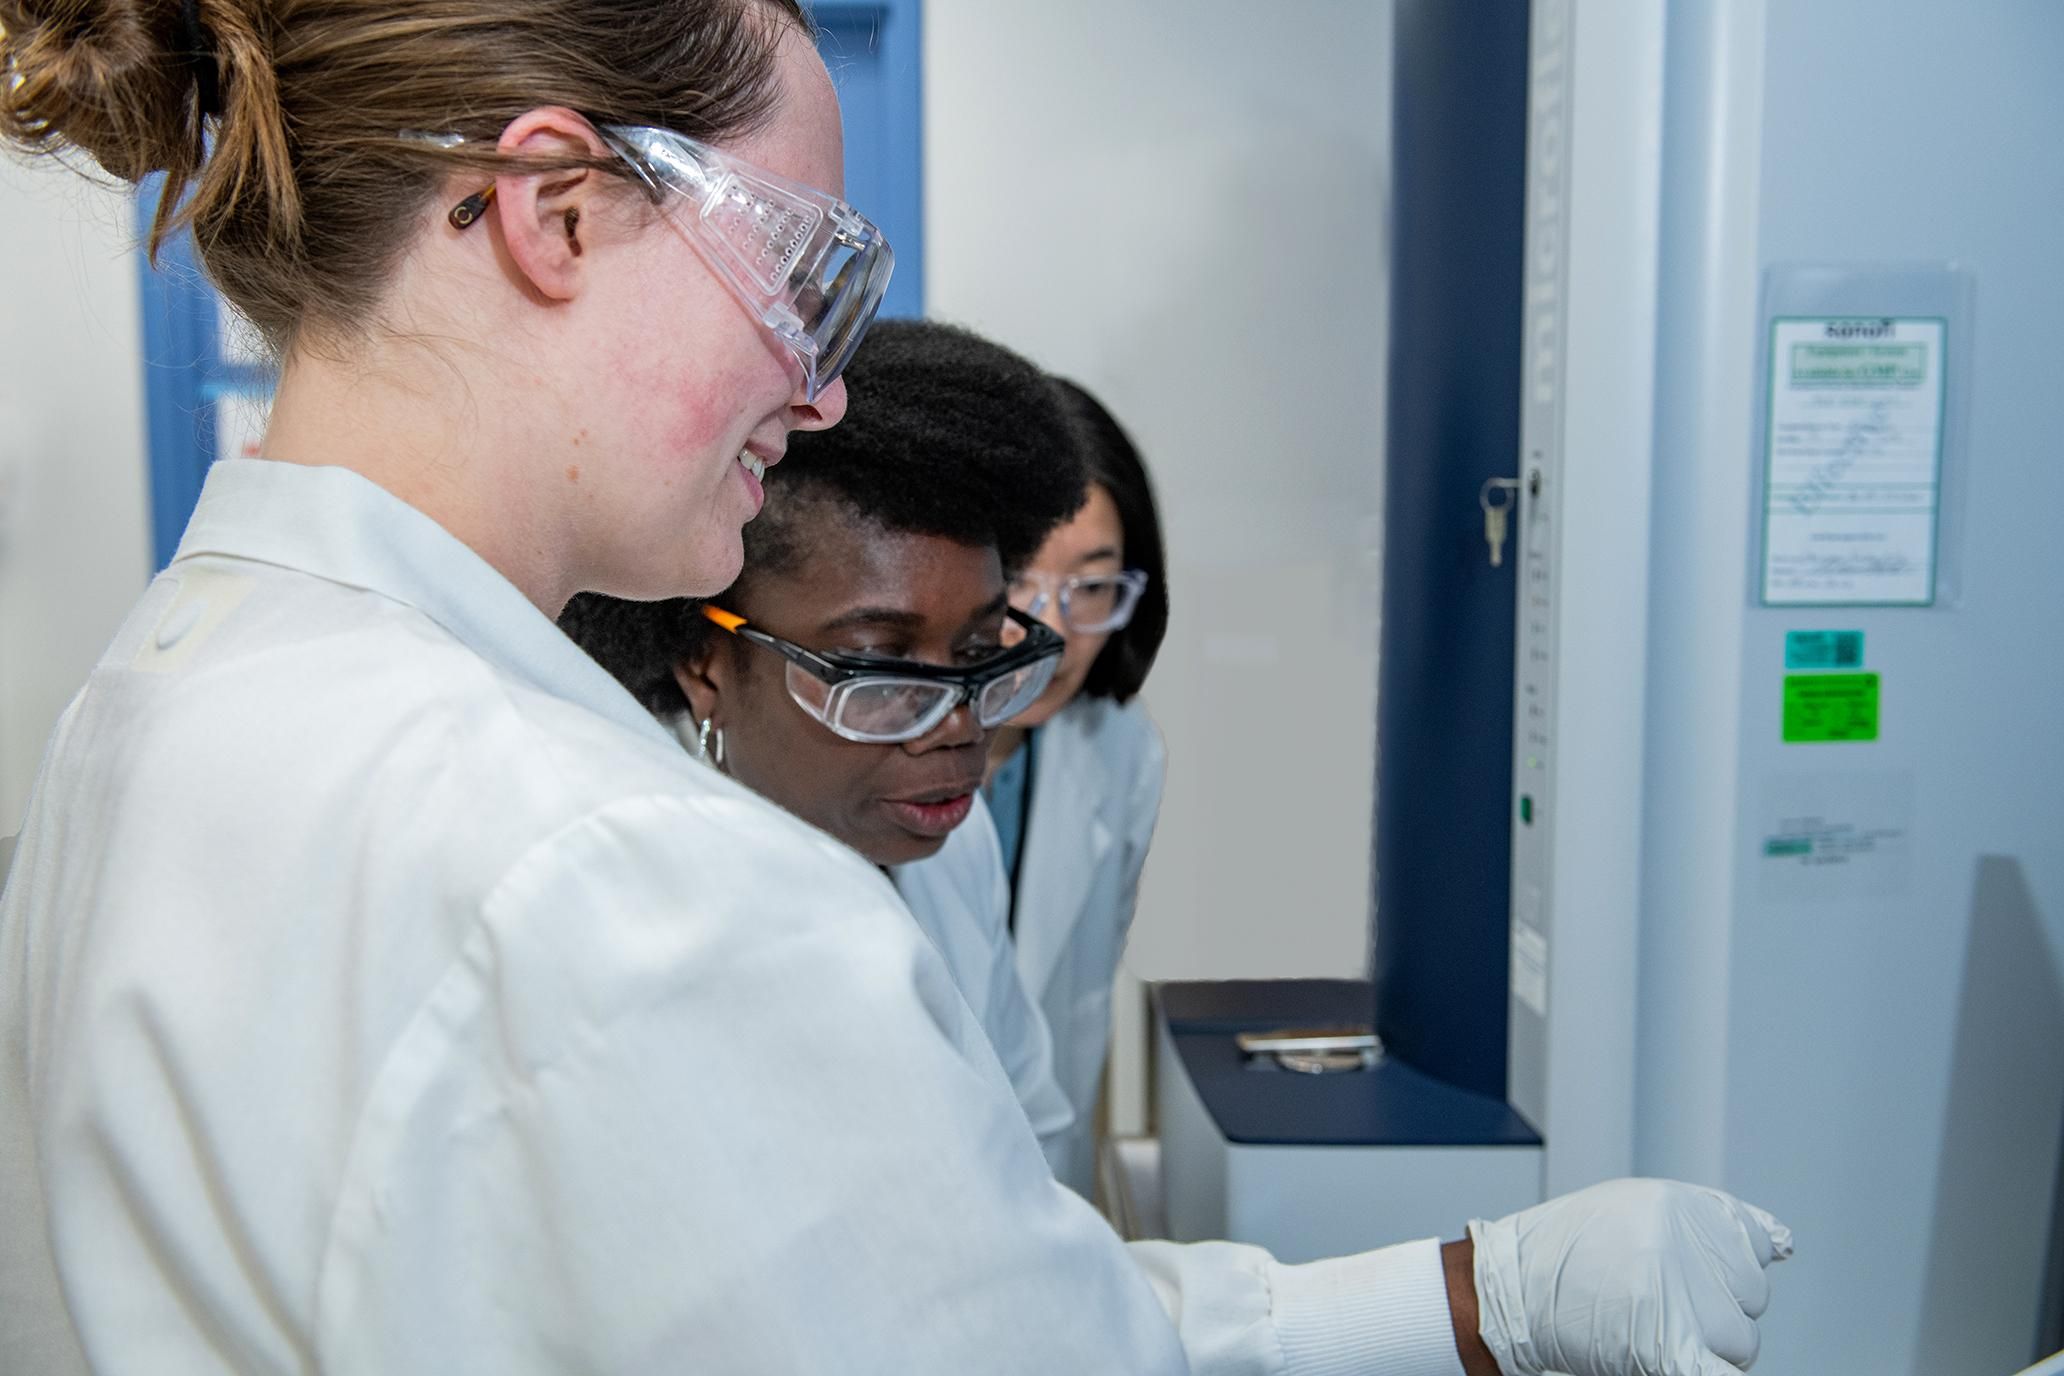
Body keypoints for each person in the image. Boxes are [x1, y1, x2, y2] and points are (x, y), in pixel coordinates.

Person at [0, 1, 1791, 1371]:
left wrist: (1468, 1290)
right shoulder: (621, 873)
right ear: (550, 209)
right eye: (803, 274)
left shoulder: (156, 706)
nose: (825, 388)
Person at [972, 377, 1170, 1195]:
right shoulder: (852, 754)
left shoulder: (1117, 752)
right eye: (1018, 576)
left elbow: (1074, 1027)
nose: (1050, 631)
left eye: (1091, 586)